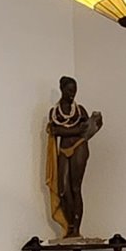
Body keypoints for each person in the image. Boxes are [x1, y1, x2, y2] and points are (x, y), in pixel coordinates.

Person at [45, 76, 103, 240]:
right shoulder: (55, 112)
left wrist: (66, 131)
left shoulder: (80, 110)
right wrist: (75, 130)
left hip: (78, 148)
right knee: (63, 189)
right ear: (62, 89)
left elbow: (83, 130)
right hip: (63, 149)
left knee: (76, 187)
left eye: (75, 90)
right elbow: (55, 131)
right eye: (70, 90)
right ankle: (69, 226)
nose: (73, 94)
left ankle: (76, 228)